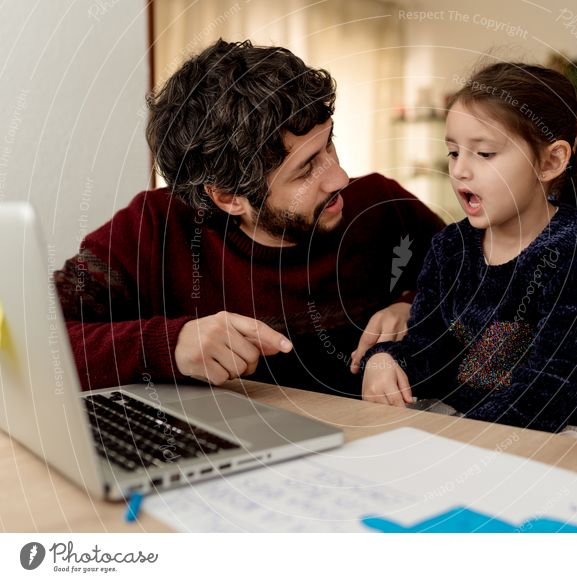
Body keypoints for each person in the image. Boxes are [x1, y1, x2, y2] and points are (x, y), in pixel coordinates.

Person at [54, 39, 444, 397]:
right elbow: (35, 339)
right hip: (217, 458)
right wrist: (170, 345)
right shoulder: (154, 228)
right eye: (306, 169)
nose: (339, 177)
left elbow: (483, 287)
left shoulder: (381, 207)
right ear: (228, 198)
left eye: (330, 145)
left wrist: (413, 306)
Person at [361, 62, 577, 441]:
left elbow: (555, 387)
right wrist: (387, 359)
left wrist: (468, 437)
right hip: (467, 421)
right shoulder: (449, 248)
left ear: (550, 161)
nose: (459, 171)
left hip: (568, 428)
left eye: (484, 153)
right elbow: (428, 349)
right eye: (453, 153)